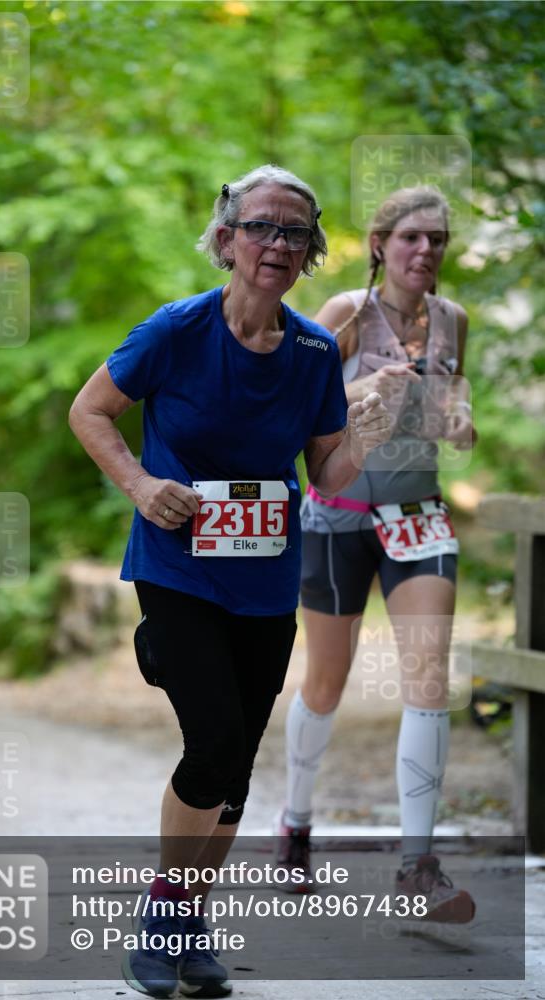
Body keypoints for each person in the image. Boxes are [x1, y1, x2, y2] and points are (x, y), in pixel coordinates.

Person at [69, 164, 390, 999]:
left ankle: (193, 924)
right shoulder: (175, 329)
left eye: (294, 232)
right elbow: (89, 411)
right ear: (226, 238)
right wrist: (141, 485)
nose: (277, 244)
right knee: (210, 741)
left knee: (238, 763)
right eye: (261, 227)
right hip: (175, 566)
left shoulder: (316, 351)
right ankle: (165, 919)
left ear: (310, 251)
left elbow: (327, 473)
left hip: (262, 575)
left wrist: (366, 429)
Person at [278, 185, 477, 923]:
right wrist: (364, 383)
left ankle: (416, 863)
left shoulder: (452, 320)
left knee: (427, 677)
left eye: (437, 241)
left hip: (417, 513)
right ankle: (295, 824)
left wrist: (460, 422)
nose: (424, 252)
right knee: (326, 681)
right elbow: (296, 399)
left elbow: (456, 400)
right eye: (410, 239)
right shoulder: (343, 314)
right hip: (336, 515)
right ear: (379, 243)